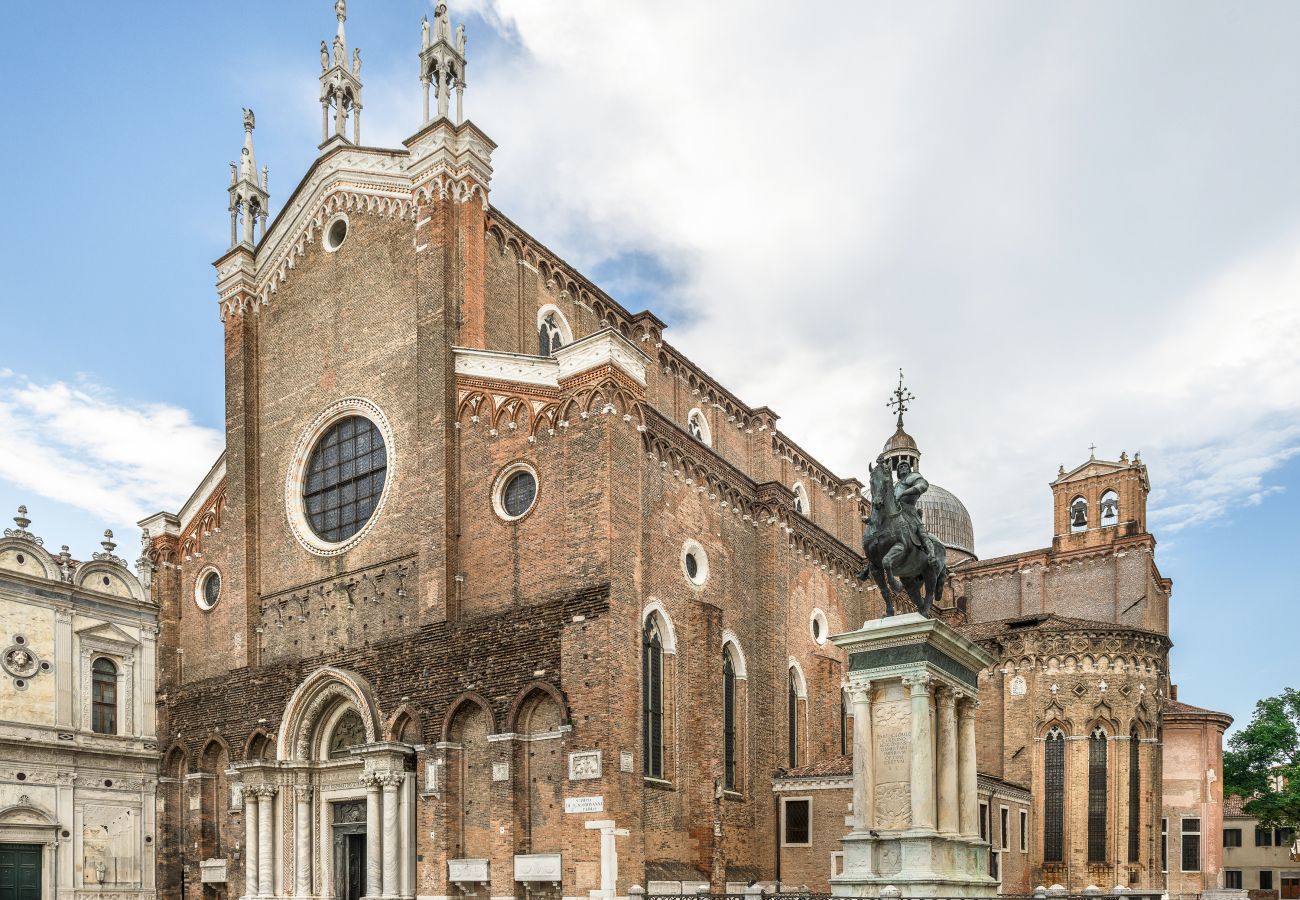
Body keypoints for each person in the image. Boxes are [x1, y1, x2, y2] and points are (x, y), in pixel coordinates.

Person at [882, 458, 935, 574]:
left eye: (905, 466)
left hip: (909, 510)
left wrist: (905, 493)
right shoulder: (895, 486)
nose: (903, 468)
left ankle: (931, 554)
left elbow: (923, 485)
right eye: (900, 467)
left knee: (921, 533)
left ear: (909, 468)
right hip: (896, 511)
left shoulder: (914, 477)